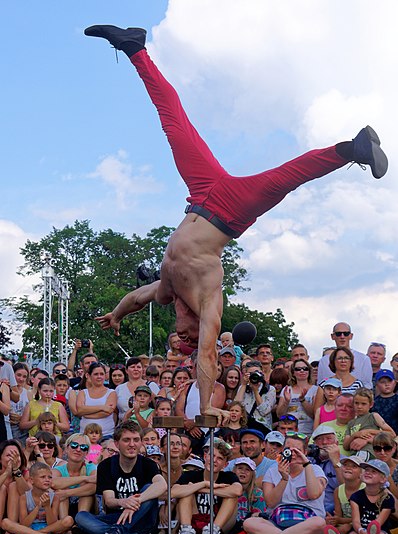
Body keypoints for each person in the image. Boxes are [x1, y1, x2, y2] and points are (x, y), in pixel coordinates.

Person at [87, 25, 387, 426]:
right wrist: (208, 402)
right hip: (229, 210)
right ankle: (352, 148)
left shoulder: (167, 291)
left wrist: (116, 316)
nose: (187, 338)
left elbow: (136, 298)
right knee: (285, 175)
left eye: (185, 339)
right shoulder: (210, 302)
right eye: (190, 338)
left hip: (202, 194)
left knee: (173, 125)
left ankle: (133, 48)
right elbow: (207, 356)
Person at [75, 421, 166, 534]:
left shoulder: (148, 464)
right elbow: (110, 501)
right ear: (117, 444)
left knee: (148, 488)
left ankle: (117, 533)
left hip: (142, 520)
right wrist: (124, 502)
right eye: (126, 440)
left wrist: (136, 501)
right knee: (81, 517)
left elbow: (162, 485)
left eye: (136, 440)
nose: (132, 444)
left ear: (140, 443)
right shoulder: (105, 466)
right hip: (116, 517)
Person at [239, 431, 327, 534]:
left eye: (297, 450)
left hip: (307, 524)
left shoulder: (314, 469)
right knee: (249, 523)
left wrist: (306, 464)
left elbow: (314, 494)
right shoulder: (273, 470)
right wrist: (284, 479)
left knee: (319, 523)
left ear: (305, 452)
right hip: (277, 523)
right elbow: (271, 503)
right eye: (289, 450)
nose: (293, 454)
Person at [171, 437, 241, 534]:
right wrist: (203, 484)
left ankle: (212, 531)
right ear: (205, 457)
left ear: (225, 464)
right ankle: (187, 533)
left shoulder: (228, 476)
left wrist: (203, 489)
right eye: (212, 456)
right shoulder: (191, 475)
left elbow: (237, 490)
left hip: (219, 526)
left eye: (220, 458)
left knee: (231, 495)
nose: (214, 460)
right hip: (195, 521)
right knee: (185, 492)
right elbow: (173, 492)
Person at [325, 459, 395, 534]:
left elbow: (378, 523)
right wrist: (362, 531)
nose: (368, 473)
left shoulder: (387, 498)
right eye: (366, 470)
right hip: (360, 529)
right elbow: (356, 521)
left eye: (373, 471)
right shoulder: (356, 496)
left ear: (383, 479)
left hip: (379, 530)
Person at [1, 462, 74, 534]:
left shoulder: (54, 497)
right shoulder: (24, 497)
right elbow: (24, 524)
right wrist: (38, 507)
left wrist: (47, 507)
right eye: (43, 477)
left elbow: (52, 523)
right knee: (5, 522)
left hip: (46, 529)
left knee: (69, 520)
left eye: (49, 477)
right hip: (31, 528)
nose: (47, 479)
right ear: (32, 480)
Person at [317, 323, 373, 388]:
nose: (342, 337)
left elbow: (367, 386)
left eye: (346, 333)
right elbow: (320, 386)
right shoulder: (324, 361)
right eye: (338, 334)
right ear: (332, 336)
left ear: (351, 336)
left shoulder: (364, 359)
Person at [344, 388, 395, 457]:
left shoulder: (373, 416)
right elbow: (345, 446)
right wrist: (355, 435)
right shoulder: (351, 423)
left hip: (368, 452)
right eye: (356, 403)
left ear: (371, 404)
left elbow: (391, 434)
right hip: (354, 454)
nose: (359, 406)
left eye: (363, 404)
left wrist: (369, 431)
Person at [325, 455, 365, 534]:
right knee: (326, 526)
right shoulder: (338, 490)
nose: (348, 468)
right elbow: (338, 515)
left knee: (345, 529)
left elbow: (364, 517)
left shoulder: (365, 489)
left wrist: (341, 521)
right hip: (344, 523)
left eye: (354, 466)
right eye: (345, 465)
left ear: (361, 473)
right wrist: (333, 520)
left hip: (362, 524)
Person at [76, 363, 117, 440]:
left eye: (101, 374)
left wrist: (86, 412)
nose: (99, 377)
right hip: (85, 436)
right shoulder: (82, 393)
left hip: (106, 435)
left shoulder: (112, 392)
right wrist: (102, 407)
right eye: (96, 374)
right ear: (88, 375)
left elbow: (107, 412)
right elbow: (80, 410)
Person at [235, 360, 276, 434]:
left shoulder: (270, 389)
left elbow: (265, 411)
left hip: (263, 428)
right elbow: (236, 405)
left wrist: (256, 391)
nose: (254, 375)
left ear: (262, 373)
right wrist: (244, 385)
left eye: (257, 372)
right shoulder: (243, 387)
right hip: (245, 427)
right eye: (251, 373)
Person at [277, 359, 317, 434]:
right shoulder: (287, 389)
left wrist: (302, 400)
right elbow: (279, 415)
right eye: (298, 369)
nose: (302, 371)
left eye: (305, 368)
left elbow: (314, 415)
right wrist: (286, 402)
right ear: (293, 373)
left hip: (308, 432)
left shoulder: (316, 390)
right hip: (288, 432)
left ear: (309, 371)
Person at [373, 369, 398, 433]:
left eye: (389, 381)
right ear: (377, 384)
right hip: (378, 436)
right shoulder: (373, 403)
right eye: (382, 382)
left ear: (395, 382)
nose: (387, 384)